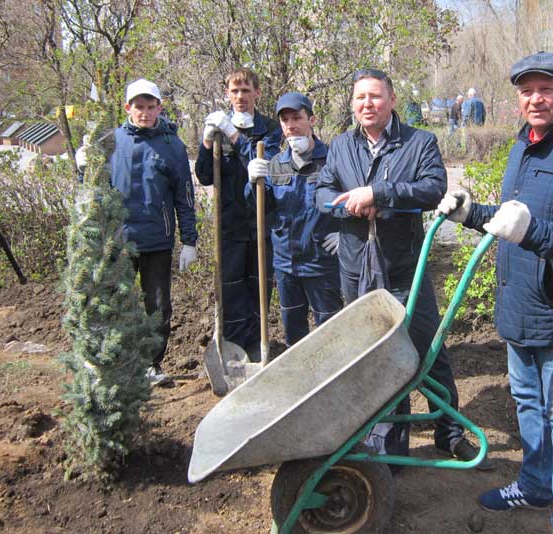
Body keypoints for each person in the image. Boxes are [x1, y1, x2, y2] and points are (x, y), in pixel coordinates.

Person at [437, 52, 553, 534]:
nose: (535, 98)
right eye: (527, 90)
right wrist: (471, 212)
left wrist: (534, 231)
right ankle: (536, 484)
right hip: (519, 304)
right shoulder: (525, 144)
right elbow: (512, 215)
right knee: (527, 403)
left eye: (546, 88)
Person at [315, 68, 491, 467]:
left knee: (428, 349)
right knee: (368, 356)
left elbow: (433, 189)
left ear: (392, 100)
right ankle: (379, 440)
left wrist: (381, 193)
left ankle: (448, 433)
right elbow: (321, 194)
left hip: (403, 267)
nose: (367, 104)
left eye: (375, 96)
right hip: (355, 267)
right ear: (352, 103)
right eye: (360, 97)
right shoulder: (341, 146)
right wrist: (348, 202)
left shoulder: (419, 142)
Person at [75, 78, 199, 387]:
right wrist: (81, 166)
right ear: (127, 107)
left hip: (157, 239)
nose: (144, 112)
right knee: (116, 302)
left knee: (157, 305)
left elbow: (184, 196)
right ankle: (114, 363)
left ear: (160, 107)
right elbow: (92, 187)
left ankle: (151, 365)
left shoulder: (172, 146)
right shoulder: (112, 140)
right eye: (138, 107)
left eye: (150, 106)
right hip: (118, 240)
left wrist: (189, 241)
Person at [194, 68, 282, 361]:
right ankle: (232, 346)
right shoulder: (218, 128)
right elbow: (205, 176)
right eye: (235, 91)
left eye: (246, 90)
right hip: (229, 223)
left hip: (260, 221)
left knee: (258, 284)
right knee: (230, 285)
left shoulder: (269, 128)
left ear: (257, 93)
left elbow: (266, 165)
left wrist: (235, 136)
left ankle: (257, 345)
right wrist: (208, 143)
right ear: (227, 94)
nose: (240, 97)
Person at [245, 92, 342, 347]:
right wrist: (253, 183)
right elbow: (258, 208)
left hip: (322, 262)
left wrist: (346, 232)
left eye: (297, 117)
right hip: (285, 264)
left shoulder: (333, 160)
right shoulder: (275, 164)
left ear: (311, 119)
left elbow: (352, 200)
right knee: (293, 332)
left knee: (331, 331)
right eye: (285, 120)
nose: (291, 125)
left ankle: (332, 381)